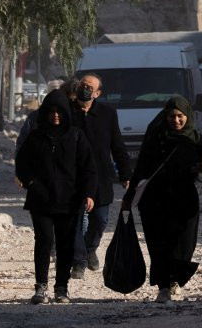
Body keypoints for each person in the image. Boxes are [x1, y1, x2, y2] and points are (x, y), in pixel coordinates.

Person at [128, 97, 202, 303]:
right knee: (159, 243)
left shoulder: (195, 138)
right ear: (165, 116)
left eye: (180, 116)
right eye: (171, 116)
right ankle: (163, 286)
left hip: (184, 198)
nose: (176, 120)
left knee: (184, 243)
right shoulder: (155, 138)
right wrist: (129, 195)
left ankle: (176, 278)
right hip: (155, 199)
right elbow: (141, 167)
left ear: (188, 116)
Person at [15, 89, 97, 305]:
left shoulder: (76, 136)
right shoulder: (36, 136)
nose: (55, 116)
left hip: (69, 200)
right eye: (51, 112)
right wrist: (31, 182)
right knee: (43, 241)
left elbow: (88, 168)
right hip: (41, 199)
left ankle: (62, 287)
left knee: (65, 244)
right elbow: (22, 163)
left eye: (59, 112)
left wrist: (88, 193)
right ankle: (40, 287)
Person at [69, 74, 132, 279]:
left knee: (100, 219)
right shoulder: (66, 112)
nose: (84, 89)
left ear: (97, 93)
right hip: (73, 176)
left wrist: (125, 174)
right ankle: (78, 261)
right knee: (76, 220)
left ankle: (89, 248)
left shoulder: (107, 114)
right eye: (82, 85)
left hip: (101, 176)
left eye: (89, 87)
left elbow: (117, 145)